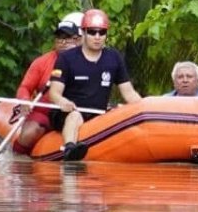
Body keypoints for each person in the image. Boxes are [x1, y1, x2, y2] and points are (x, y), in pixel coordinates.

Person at [48, 9, 143, 161]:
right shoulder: (66, 58)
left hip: (98, 115)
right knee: (75, 116)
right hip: (67, 112)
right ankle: (70, 148)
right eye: (92, 32)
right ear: (83, 33)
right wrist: (62, 102)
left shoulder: (114, 58)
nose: (97, 37)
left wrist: (145, 108)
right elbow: (54, 93)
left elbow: (129, 94)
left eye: (102, 32)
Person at [7, 12, 85, 154]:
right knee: (30, 133)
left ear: (78, 40)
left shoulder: (88, 62)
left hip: (73, 113)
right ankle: (16, 158)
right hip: (45, 114)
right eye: (59, 38)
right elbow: (25, 87)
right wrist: (24, 101)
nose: (63, 42)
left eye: (67, 38)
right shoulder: (42, 62)